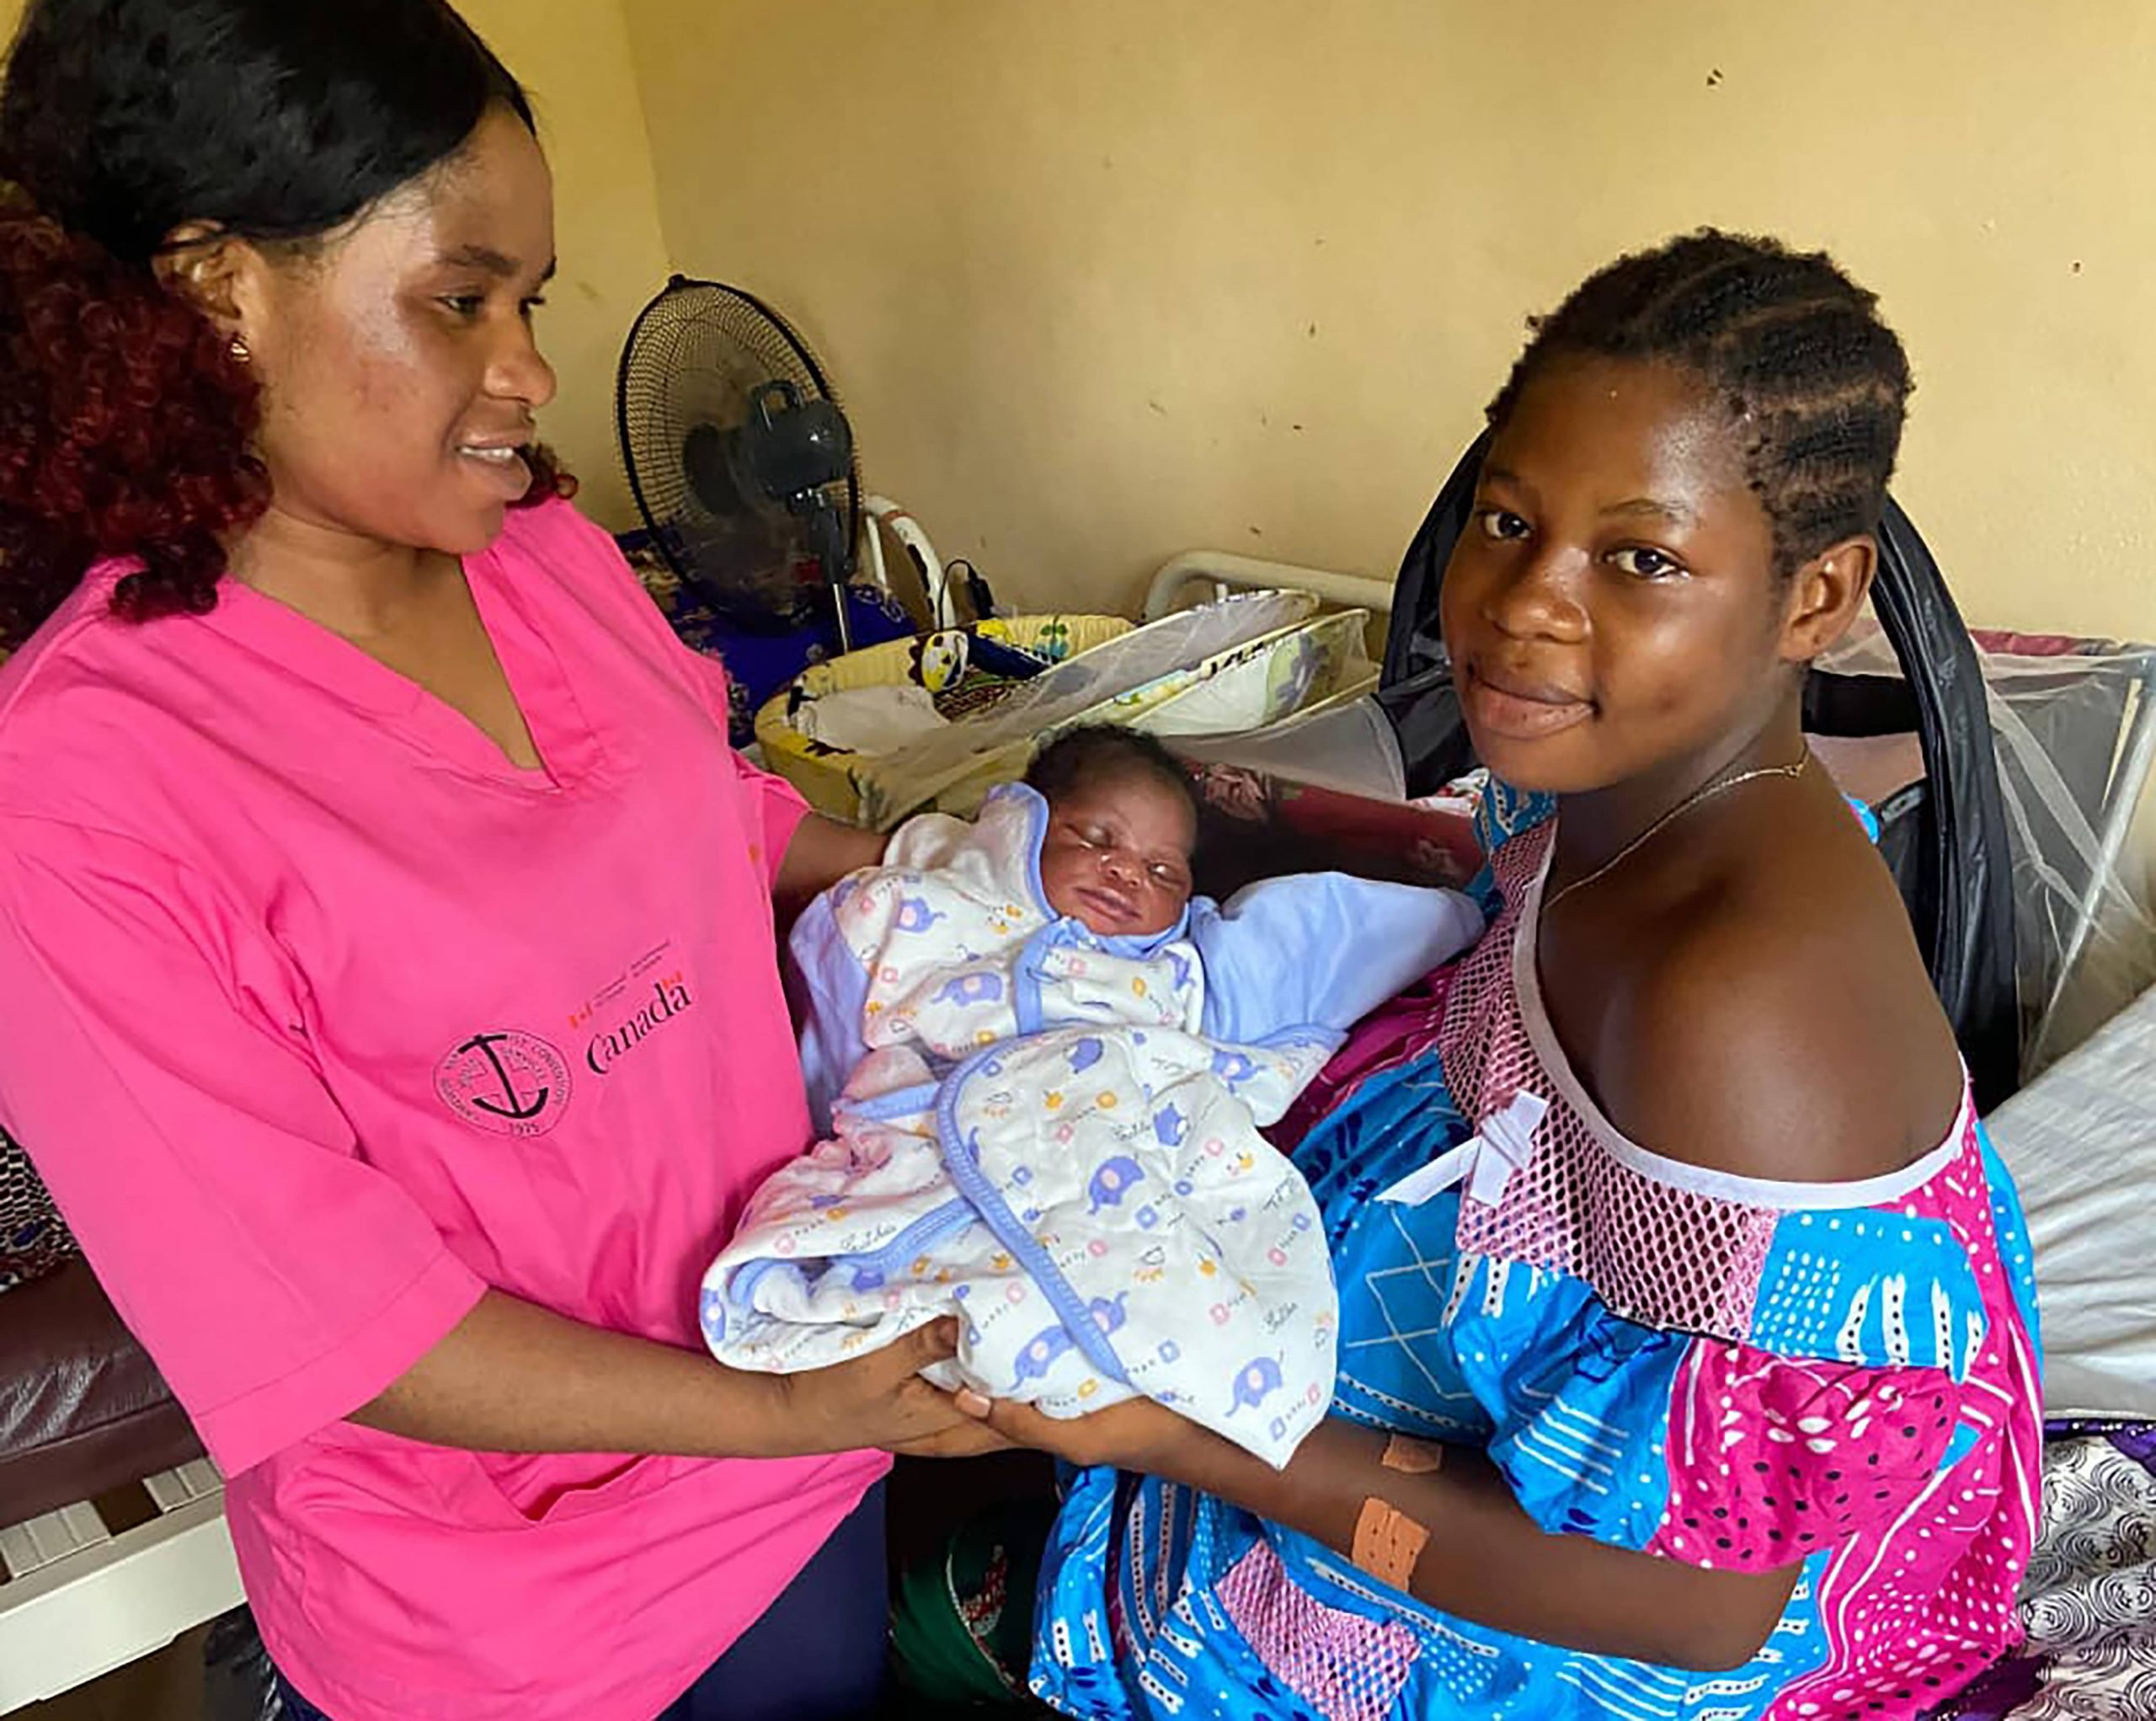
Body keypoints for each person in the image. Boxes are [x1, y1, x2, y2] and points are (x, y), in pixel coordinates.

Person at [0, 3, 1005, 1718]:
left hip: (794, 1440)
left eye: (529, 299)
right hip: (514, 1618)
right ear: (213, 291)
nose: (528, 368)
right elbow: (335, 1321)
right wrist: (780, 1405)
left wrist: (951, 874)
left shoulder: (536, 544)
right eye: (461, 299)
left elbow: (697, 814)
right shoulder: (85, 784)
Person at [961, 233, 2044, 1718]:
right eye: (1506, 518)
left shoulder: (1733, 1004)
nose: (1527, 601)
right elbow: (1496, 882)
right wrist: (1240, 815)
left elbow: (1700, 1602)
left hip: (1619, 1608)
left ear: (1815, 599)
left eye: (1641, 557)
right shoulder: (1618, 780)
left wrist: (1162, 1426)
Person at [702, 725, 1483, 1468]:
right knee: (867, 1268)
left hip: (1099, 1163)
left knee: (1213, 1282)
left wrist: (1469, 908)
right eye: (1096, 839)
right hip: (929, 1155)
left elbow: (1323, 947)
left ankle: (1103, 1358)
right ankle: (971, 1340)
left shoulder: (1172, 975)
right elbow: (829, 1032)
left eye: (1162, 871)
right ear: (1023, 827)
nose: (1125, 873)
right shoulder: (924, 913)